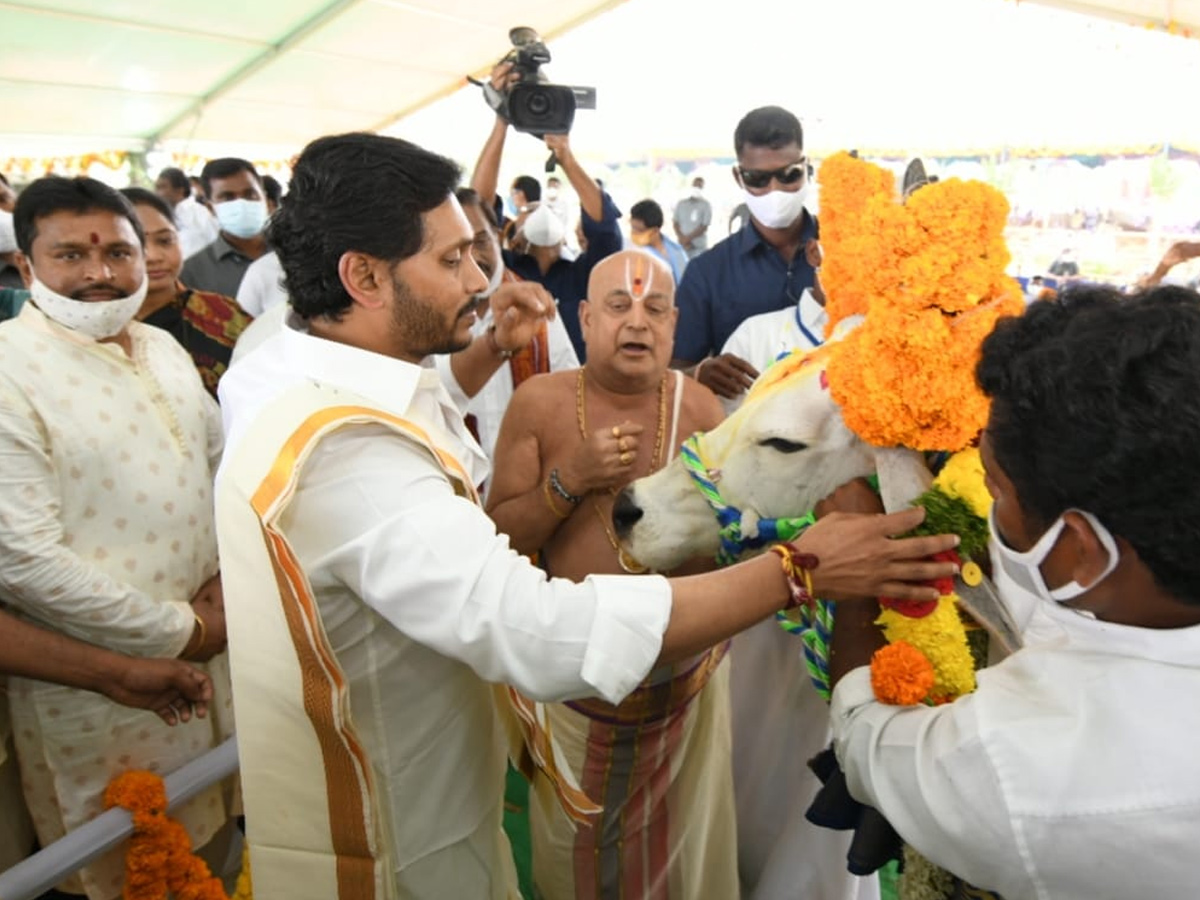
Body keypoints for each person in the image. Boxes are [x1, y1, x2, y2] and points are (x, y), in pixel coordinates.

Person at [212, 131, 956, 899]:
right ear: (362, 276)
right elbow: (535, 630)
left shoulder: (292, 364)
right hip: (387, 822)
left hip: (484, 762)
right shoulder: (348, 451)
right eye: (450, 260)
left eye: (475, 252)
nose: (478, 278)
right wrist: (800, 571)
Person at [825, 285, 1200, 899]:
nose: (993, 507)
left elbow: (869, 740)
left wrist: (857, 574)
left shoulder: (1022, 766)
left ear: (1082, 548)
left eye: (996, 489)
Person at [0, 176, 236, 899]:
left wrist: (227, 581)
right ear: (26, 268)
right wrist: (180, 631)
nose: (100, 274)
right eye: (71, 255)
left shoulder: (163, 348)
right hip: (96, 686)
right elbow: (23, 560)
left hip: (210, 656)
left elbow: (222, 470)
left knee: (213, 842)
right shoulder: (9, 367)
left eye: (119, 253)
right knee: (112, 865)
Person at [486, 250, 733, 899]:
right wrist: (571, 482)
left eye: (655, 309)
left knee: (681, 850)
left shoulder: (702, 410)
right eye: (620, 307)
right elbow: (500, 540)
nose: (638, 324)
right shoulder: (538, 403)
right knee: (577, 855)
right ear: (587, 318)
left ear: (675, 325)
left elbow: (735, 540)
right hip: (575, 679)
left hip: (681, 684)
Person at [472, 61, 624, 359]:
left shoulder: (581, 274)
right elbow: (477, 209)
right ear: (513, 232)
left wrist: (566, 157)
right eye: (528, 210)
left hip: (570, 392)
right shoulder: (503, 269)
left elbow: (604, 229)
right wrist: (502, 121)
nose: (539, 214)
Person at [673, 106, 820, 401]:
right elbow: (673, 372)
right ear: (739, 177)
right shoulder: (707, 273)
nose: (774, 190)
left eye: (789, 175)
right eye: (758, 179)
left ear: (807, 169)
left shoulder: (847, 255)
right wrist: (700, 374)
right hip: (745, 434)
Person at [434, 187, 578, 467]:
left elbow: (571, 397)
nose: (473, 259)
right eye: (455, 251)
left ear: (499, 236)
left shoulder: (534, 306)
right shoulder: (430, 319)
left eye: (480, 242)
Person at [121, 188, 252, 396]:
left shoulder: (225, 315)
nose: (154, 256)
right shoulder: (101, 329)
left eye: (165, 241)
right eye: (136, 245)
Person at [180, 157, 270, 297]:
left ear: (264, 198)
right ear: (210, 208)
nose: (242, 204)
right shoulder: (192, 272)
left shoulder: (296, 252)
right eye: (228, 197)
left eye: (250, 194)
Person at [154, 166, 219, 259]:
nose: (157, 193)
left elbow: (215, 240)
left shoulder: (197, 211)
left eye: (162, 187)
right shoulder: (164, 215)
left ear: (180, 190)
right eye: (156, 188)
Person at [628, 198, 689, 284]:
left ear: (655, 231)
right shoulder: (633, 253)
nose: (634, 233)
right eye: (633, 228)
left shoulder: (677, 251)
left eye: (639, 230)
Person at [673, 175, 712, 260]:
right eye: (695, 186)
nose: (696, 188)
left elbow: (704, 226)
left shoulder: (706, 205)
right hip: (682, 246)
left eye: (699, 186)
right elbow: (675, 223)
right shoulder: (681, 204)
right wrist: (682, 238)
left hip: (698, 247)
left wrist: (688, 239)